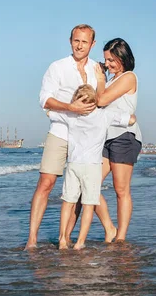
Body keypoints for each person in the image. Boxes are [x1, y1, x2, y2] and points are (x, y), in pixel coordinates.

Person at [24, 24, 99, 250]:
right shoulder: (57, 67)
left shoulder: (97, 70)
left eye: (84, 42)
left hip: (85, 139)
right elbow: (44, 99)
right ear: (70, 41)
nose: (79, 45)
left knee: (79, 191)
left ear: (92, 44)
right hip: (60, 132)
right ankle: (32, 239)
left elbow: (102, 99)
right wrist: (70, 107)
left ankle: (65, 238)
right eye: (76, 40)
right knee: (46, 183)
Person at [66, 38, 142, 243]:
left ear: (122, 57)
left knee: (121, 189)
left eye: (111, 60)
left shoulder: (129, 77)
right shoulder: (109, 81)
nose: (107, 64)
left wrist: (100, 79)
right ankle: (110, 229)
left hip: (124, 137)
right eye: (105, 60)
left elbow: (101, 100)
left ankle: (121, 238)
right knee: (88, 186)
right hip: (105, 138)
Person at [48, 81, 135, 250]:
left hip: (73, 165)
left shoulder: (71, 115)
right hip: (93, 166)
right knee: (88, 204)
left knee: (68, 202)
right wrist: (131, 117)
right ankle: (80, 242)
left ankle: (62, 240)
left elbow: (49, 113)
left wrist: (71, 107)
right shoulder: (104, 115)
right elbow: (130, 120)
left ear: (77, 101)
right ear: (95, 101)